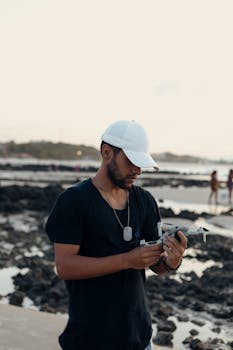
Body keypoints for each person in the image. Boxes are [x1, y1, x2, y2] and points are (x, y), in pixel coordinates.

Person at [45, 120, 187, 350]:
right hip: (89, 340)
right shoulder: (74, 200)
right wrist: (126, 260)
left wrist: (173, 260)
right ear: (106, 152)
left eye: (141, 163)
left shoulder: (145, 201)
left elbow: (156, 266)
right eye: (131, 161)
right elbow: (65, 266)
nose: (138, 170)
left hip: (138, 338)